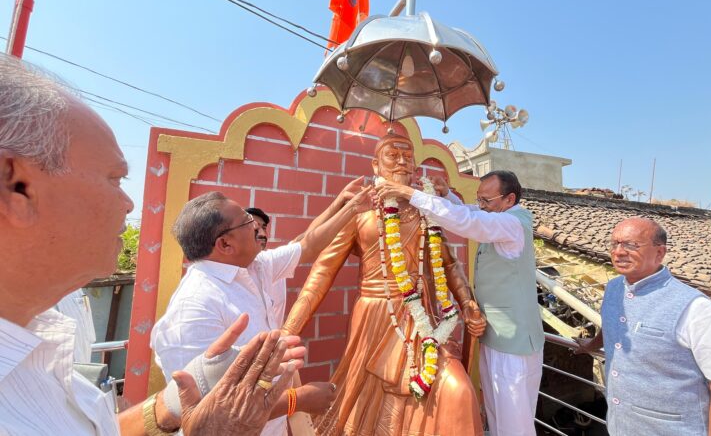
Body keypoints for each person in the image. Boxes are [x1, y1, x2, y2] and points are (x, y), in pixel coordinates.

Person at [0, 52, 302, 435]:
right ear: (18, 186)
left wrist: (168, 407)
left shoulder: (39, 344)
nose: (127, 204)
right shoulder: (196, 304)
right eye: (114, 179)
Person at [282, 132, 487, 435]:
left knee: (458, 390)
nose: (403, 161)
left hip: (423, 321)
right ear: (375, 166)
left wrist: (467, 303)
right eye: (393, 155)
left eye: (408, 156)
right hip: (375, 318)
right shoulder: (360, 209)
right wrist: (287, 333)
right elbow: (322, 273)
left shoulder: (425, 209)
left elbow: (448, 263)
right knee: (372, 413)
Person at [151, 182, 371, 436]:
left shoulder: (255, 267)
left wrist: (349, 207)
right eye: (246, 221)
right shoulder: (194, 307)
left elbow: (308, 246)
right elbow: (206, 415)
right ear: (224, 244)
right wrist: (297, 400)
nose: (256, 225)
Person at [377, 169, 544, 436]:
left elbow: (469, 221)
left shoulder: (512, 224)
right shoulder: (496, 215)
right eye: (480, 199)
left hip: (514, 346)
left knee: (514, 424)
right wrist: (449, 196)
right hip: (496, 337)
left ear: (509, 199)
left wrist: (411, 194)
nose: (481, 205)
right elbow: (472, 212)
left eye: (487, 200)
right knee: (496, 415)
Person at [575, 217, 711, 435]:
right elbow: (612, 324)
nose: (619, 252)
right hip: (621, 425)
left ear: (660, 253)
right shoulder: (614, 288)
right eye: (614, 244)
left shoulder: (694, 307)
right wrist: (592, 344)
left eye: (631, 245)